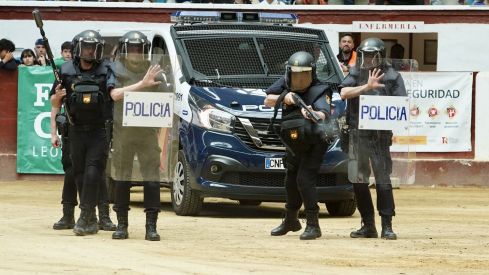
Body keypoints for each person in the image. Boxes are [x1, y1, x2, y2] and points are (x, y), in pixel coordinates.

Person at [339, 38, 407, 240]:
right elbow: (343, 93)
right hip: (357, 135)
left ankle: (387, 225)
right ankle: (368, 224)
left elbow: (401, 104)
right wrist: (366, 88)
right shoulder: (356, 72)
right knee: (358, 181)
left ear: (380, 55)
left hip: (379, 136)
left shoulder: (393, 76)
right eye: (364, 54)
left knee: (383, 180)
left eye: (371, 55)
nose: (366, 59)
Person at [264, 51, 334, 240]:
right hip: (294, 140)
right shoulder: (284, 83)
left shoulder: (321, 89)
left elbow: (324, 113)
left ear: (312, 73)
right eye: (296, 74)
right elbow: (267, 99)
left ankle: (313, 224)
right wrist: (285, 97)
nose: (300, 79)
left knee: (304, 179)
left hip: (315, 142)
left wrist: (314, 113)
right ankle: (291, 220)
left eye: (304, 75)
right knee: (290, 180)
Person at [50, 30, 113, 236]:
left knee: (94, 172)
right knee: (77, 173)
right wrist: (57, 99)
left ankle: (88, 215)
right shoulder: (65, 71)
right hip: (75, 131)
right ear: (78, 48)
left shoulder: (107, 70)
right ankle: (86, 218)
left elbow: (114, 97)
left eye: (94, 47)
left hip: (98, 131)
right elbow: (54, 102)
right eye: (86, 47)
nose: (90, 51)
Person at [107, 31, 166, 241]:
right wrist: (142, 84)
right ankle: (122, 224)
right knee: (122, 178)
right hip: (123, 132)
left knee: (151, 179)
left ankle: (151, 225)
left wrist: (161, 142)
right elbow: (114, 95)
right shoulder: (115, 69)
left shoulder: (156, 72)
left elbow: (165, 108)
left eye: (139, 49)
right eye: (131, 48)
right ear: (124, 50)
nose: (135, 52)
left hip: (148, 134)